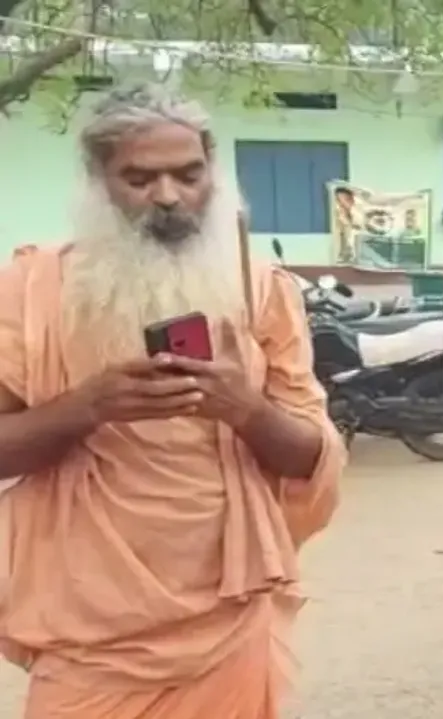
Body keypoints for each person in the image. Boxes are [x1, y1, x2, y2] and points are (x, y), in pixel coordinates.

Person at [0, 84, 345, 718]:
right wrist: (87, 407)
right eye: (140, 178)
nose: (167, 197)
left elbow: (312, 458)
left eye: (188, 174)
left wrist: (246, 409)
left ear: (212, 170)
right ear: (98, 180)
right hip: (87, 627)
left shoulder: (259, 289)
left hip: (231, 611)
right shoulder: (32, 290)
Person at [334, 185, 357, 263]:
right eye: (338, 201)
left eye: (346, 200)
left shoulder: (357, 217)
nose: (342, 205)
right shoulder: (337, 219)